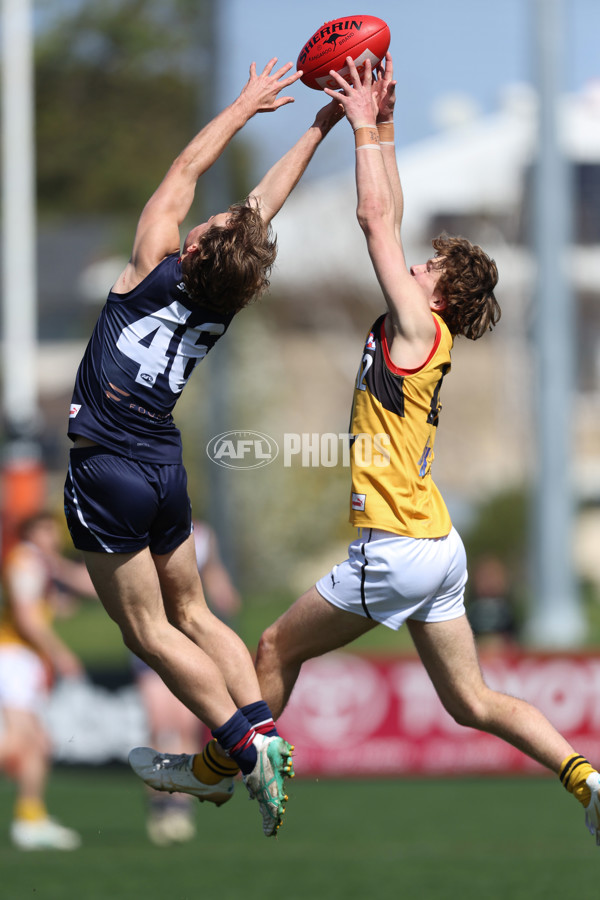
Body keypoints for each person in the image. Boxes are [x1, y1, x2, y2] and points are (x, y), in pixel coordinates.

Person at [251, 54, 600, 846]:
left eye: (427, 267)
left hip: (399, 546)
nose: (412, 265)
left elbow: (376, 221)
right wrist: (389, 123)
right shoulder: (425, 327)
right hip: (438, 545)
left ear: (438, 295)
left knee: (274, 645)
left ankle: (228, 763)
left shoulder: (416, 325)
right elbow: (394, 214)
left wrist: (363, 123)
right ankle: (588, 779)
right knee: (472, 703)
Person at [63, 58, 342, 837]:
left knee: (148, 631)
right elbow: (263, 210)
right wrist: (324, 123)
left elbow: (188, 165)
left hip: (108, 462)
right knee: (194, 608)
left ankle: (245, 745)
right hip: (162, 466)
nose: (216, 215)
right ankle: (263, 728)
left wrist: (247, 106)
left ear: (194, 247)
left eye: (215, 221)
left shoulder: (154, 257)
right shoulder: (221, 296)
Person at [133, 521, 241, 846]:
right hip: (151, 639)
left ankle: (179, 806)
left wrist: (224, 592)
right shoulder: (139, 531)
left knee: (183, 725)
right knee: (157, 723)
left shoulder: (205, 534)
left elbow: (212, 573)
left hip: (188, 641)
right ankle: (157, 803)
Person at [0, 511, 95, 850]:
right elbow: (26, 618)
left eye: (53, 531)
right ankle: (30, 820)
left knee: (38, 744)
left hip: (23, 662)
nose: (52, 536)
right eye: (44, 530)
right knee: (20, 743)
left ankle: (30, 818)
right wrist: (60, 653)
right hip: (15, 661)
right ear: (29, 533)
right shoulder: (26, 560)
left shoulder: (43, 562)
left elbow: (84, 584)